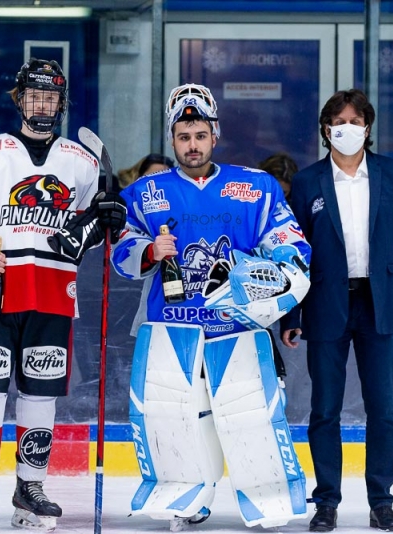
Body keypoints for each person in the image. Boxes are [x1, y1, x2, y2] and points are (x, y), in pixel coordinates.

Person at [110, 83, 312, 529]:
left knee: (250, 418)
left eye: (200, 135)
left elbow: (289, 242)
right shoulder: (145, 192)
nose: (192, 145)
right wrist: (148, 250)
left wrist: (275, 271)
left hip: (235, 326)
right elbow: (120, 250)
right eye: (183, 137)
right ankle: (188, 497)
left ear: (214, 135)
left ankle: (270, 497)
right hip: (171, 327)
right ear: (172, 139)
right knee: (172, 417)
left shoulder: (254, 187)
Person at [0, 58, 123, 532]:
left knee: (40, 394)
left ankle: (31, 484)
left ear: (60, 104)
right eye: (34, 96)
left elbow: (92, 230)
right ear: (19, 99)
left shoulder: (82, 162)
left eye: (50, 97)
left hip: (53, 294)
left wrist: (108, 218)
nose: (41, 104)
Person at [280, 88, 393, 533]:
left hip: (380, 304)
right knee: (324, 409)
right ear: (327, 131)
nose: (347, 129)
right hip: (326, 304)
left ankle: (381, 501)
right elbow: (292, 254)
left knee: (383, 409)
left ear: (368, 126)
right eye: (338, 122)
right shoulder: (307, 183)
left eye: (355, 121)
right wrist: (291, 316)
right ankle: (326, 502)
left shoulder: (391, 174)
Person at [257, 152, 300, 379]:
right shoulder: (248, 208)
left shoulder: (294, 216)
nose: (277, 198)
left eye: (283, 193)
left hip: (282, 288)